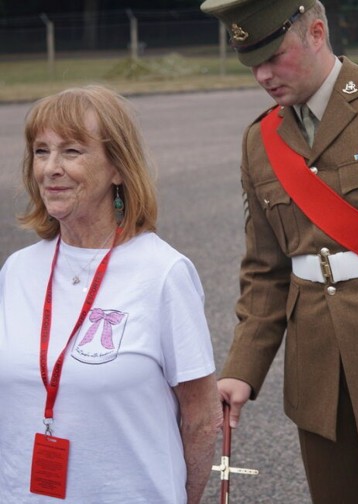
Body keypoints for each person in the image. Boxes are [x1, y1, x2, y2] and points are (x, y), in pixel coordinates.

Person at [200, 0, 358, 502]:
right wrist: (241, 370)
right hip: (320, 384)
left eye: (274, 56)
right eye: (251, 63)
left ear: (317, 32)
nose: (262, 75)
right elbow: (266, 272)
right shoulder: (260, 142)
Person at [0, 85, 222, 503]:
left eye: (71, 151)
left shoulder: (162, 273)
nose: (50, 168)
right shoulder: (17, 271)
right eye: (41, 151)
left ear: (118, 167)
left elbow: (201, 418)